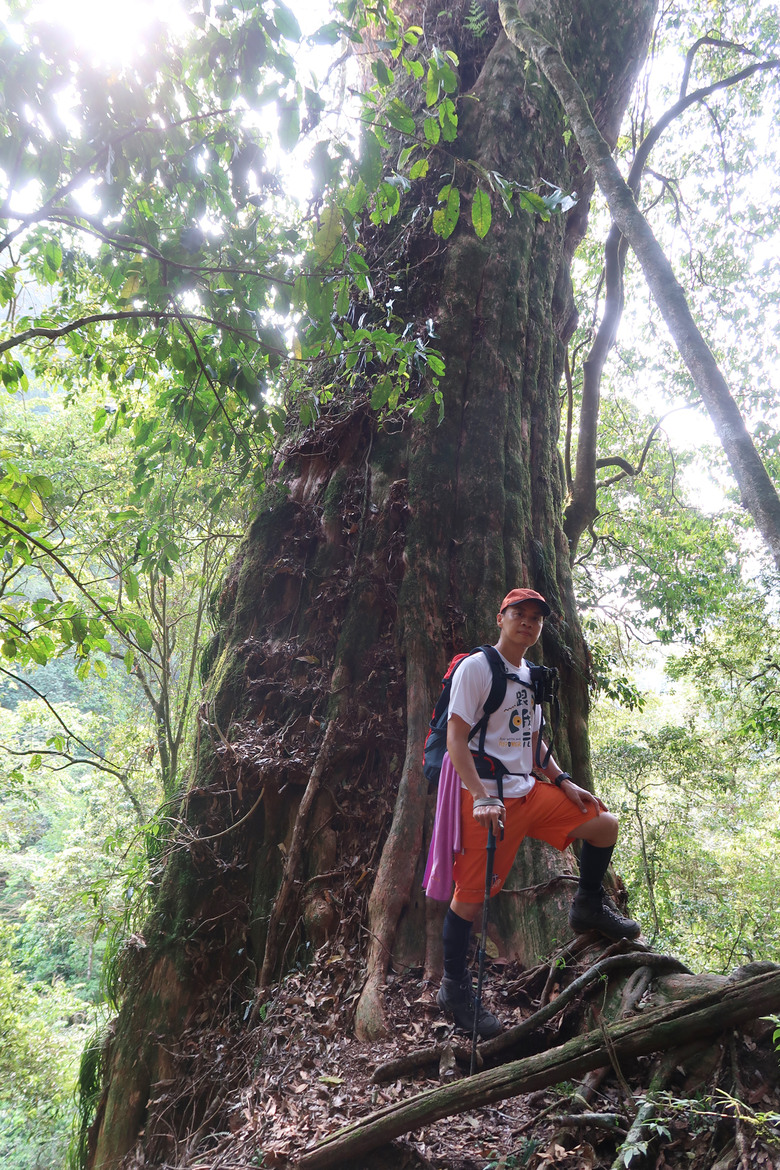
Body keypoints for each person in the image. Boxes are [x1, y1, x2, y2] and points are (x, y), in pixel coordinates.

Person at [436, 588, 640, 1038]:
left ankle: (587, 905)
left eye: (535, 617)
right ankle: (453, 987)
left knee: (604, 825)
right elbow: (456, 740)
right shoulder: (478, 667)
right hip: (489, 802)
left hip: (531, 793)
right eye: (518, 614)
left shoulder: (531, 675)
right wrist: (481, 795)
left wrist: (563, 780)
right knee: (471, 898)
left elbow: (532, 741)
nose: (527, 622)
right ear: (501, 618)